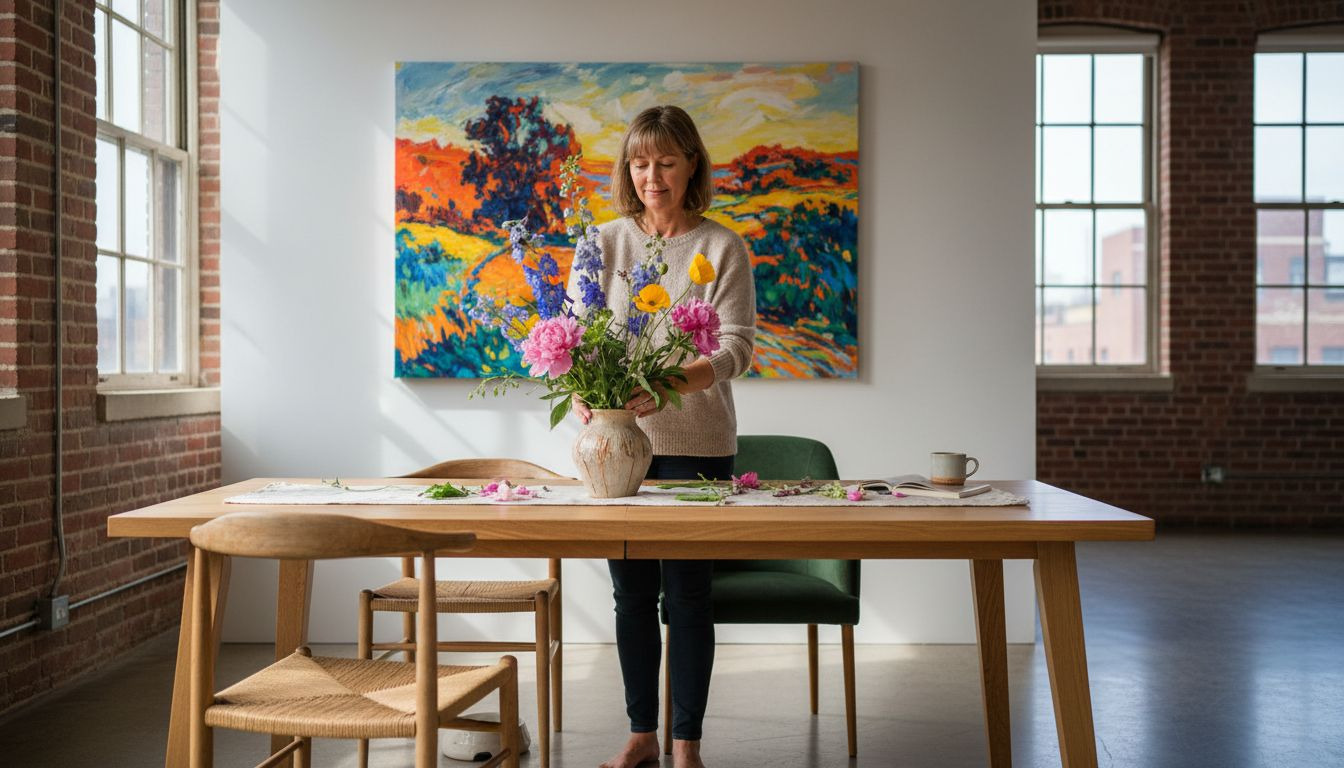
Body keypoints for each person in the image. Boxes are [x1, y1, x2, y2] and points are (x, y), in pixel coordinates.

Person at [567, 105, 756, 768]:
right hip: (619, 449)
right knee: (631, 597)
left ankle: (687, 745)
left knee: (688, 597)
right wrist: (584, 397)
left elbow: (736, 350)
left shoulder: (721, 247)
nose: (652, 175)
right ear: (628, 168)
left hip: (698, 444)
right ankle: (641, 735)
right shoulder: (603, 243)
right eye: (641, 162)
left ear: (691, 165)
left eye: (667, 161)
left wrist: (672, 385)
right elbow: (576, 346)